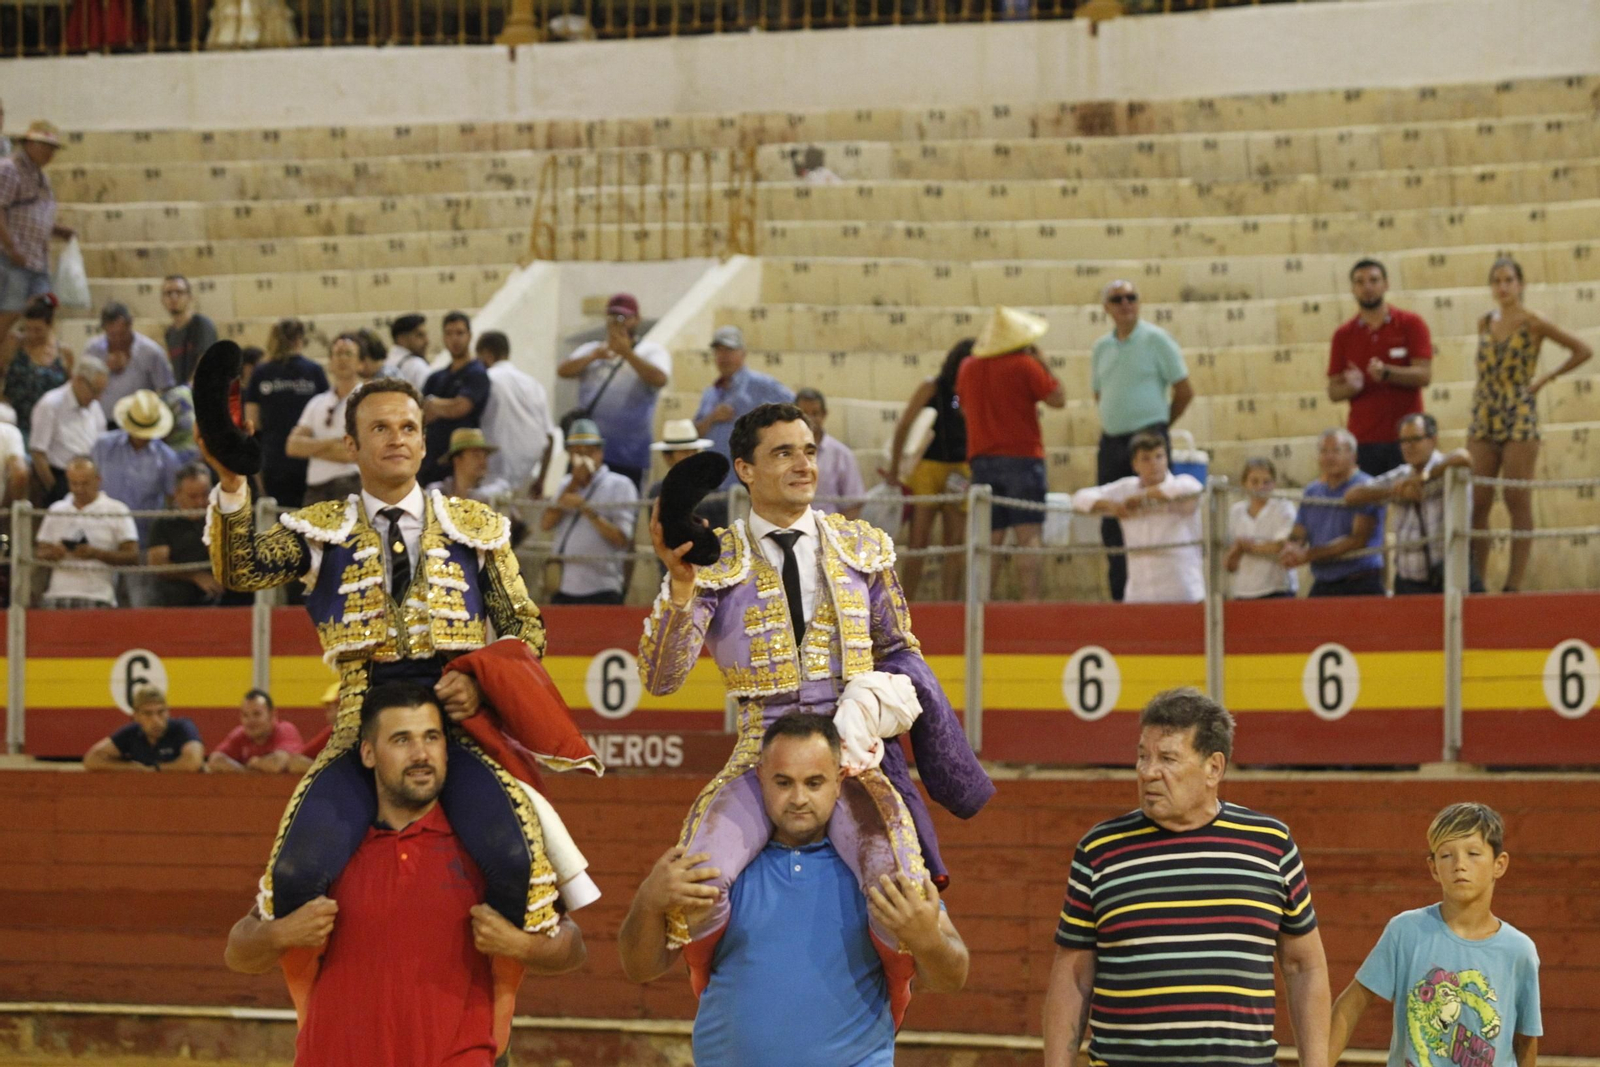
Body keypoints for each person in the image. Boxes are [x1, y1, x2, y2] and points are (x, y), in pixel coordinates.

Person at [204, 375, 601, 1005]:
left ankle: (488, 1021)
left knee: (517, 863)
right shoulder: (320, 528)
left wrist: (479, 682)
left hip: (454, 723)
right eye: (380, 428)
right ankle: (331, 1009)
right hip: (360, 724)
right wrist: (232, 484)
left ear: (423, 442)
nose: (397, 439)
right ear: (352, 446)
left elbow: (526, 628)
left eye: (408, 427)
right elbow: (240, 567)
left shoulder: (476, 526)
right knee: (296, 874)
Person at [638, 403, 993, 1006]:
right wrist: (680, 584)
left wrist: (880, 705)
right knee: (698, 878)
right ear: (745, 469)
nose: (804, 464)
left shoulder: (860, 546)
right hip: (762, 751)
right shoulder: (713, 559)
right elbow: (661, 678)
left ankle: (881, 1001)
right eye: (784, 453)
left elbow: (899, 648)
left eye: (809, 451)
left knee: (899, 885)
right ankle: (728, 995)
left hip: (848, 752)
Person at [223, 682, 587, 1067]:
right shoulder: (329, 851)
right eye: (401, 740)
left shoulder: (484, 848)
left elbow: (573, 947)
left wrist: (522, 946)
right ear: (368, 753)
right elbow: (239, 952)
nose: (420, 754)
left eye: (431, 737)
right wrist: (280, 933)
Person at [618, 712, 970, 1066]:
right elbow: (640, 968)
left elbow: (952, 978)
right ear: (761, 778)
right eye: (783, 783)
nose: (799, 798)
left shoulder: (875, 870)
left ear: (839, 780)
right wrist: (648, 901)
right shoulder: (722, 868)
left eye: (814, 783)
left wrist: (928, 940)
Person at [1044, 688, 1330, 1067]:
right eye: (1143, 756)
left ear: (1214, 768)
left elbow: (1304, 967)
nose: (1148, 772)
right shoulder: (1100, 850)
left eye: (1167, 758)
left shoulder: (1271, 844)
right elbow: (1073, 977)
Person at [1328, 803, 1541, 1067]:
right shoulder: (1405, 931)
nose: (1459, 865)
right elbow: (1350, 1007)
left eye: (1473, 853)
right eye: (1446, 855)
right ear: (1433, 868)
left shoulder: (1518, 950)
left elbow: (1525, 1041)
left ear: (1499, 864)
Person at [1468, 256, 1592, 594]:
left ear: (1520, 284)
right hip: (1484, 410)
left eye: (1509, 280)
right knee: (1477, 500)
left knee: (1516, 497)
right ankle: (1476, 581)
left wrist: (1546, 378)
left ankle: (1514, 584)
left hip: (1519, 410)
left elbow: (1582, 350)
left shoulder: (1534, 322)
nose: (1503, 287)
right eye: (1497, 281)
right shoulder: (1485, 322)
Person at [1091, 280, 1194, 602]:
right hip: (1112, 442)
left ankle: (1168, 595)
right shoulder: (1101, 348)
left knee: (1159, 511)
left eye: (1131, 297)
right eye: (1117, 299)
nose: (1125, 303)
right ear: (1106, 307)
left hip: (1149, 437)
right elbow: (1100, 393)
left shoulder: (1157, 339)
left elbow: (1184, 390)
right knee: (1113, 519)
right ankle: (1121, 597)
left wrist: (1157, 428)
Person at [957, 306, 1066, 602]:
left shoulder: (967, 367)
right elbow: (1058, 399)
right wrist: (1044, 364)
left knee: (989, 540)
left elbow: (965, 408)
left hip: (982, 460)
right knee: (1028, 536)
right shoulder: (1025, 365)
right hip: (1023, 458)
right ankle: (1030, 605)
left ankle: (982, 609)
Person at [1326, 259, 1434, 477]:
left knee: (1409, 495)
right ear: (1353, 289)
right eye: (1360, 282)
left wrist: (1387, 373)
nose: (1367, 287)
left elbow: (1424, 375)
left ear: (1386, 284)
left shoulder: (1411, 323)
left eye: (1374, 280)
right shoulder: (1343, 335)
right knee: (1368, 497)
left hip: (1407, 438)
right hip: (1364, 438)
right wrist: (1350, 387)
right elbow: (1333, 391)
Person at [1345, 413, 1474, 595]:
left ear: (1433, 440)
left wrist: (1424, 478)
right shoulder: (1401, 475)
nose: (1408, 446)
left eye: (1415, 439)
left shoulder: (1445, 467)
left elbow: (1464, 457)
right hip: (1407, 581)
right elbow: (1351, 495)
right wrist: (1394, 491)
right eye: (1403, 441)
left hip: (1446, 578)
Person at [1072, 430, 1204, 604]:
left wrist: (1143, 497)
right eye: (1146, 459)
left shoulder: (1184, 483)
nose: (1154, 463)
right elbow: (1079, 499)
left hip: (1181, 589)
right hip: (1139, 591)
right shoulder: (1126, 489)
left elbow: (1192, 489)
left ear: (1167, 459)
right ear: (1135, 464)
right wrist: (1112, 506)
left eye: (1159, 456)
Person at [886, 338, 972, 602]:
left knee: (955, 544)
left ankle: (950, 605)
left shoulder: (974, 388)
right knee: (918, 542)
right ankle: (906, 604)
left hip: (961, 470)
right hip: (927, 469)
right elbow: (904, 425)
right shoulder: (932, 386)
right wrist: (894, 469)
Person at [558, 293, 672, 489]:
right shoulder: (592, 349)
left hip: (628, 453)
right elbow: (563, 371)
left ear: (637, 319)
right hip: (586, 450)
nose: (618, 323)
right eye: (613, 317)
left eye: (624, 317)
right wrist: (593, 357)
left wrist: (627, 353)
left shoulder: (651, 351)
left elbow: (660, 379)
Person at [540, 419, 637, 605]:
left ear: (600, 453)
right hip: (563, 586)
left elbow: (621, 539)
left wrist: (586, 509)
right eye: (577, 452)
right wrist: (573, 484)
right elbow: (546, 524)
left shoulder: (619, 485)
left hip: (602, 586)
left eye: (589, 452)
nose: (583, 458)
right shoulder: (564, 484)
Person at [1280, 429, 1385, 597]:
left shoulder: (1367, 488)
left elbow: (1357, 541)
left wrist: (1307, 555)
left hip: (1360, 581)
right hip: (1323, 582)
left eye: (1336, 451)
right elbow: (1299, 532)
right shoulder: (1312, 491)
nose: (1329, 457)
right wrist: (1291, 548)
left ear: (1353, 456)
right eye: (1324, 451)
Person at [692, 325, 792, 490]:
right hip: (714, 484)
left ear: (743, 353)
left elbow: (795, 411)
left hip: (750, 485)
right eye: (719, 351)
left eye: (729, 350)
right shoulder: (710, 393)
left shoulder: (761, 385)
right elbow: (693, 434)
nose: (723, 356)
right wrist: (712, 418)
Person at [0, 121, 75, 343]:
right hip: (13, 258)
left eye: (53, 148)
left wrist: (58, 230)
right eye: (46, 146)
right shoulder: (9, 169)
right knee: (10, 312)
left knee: (43, 311)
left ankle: (36, 356)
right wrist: (11, 247)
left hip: (36, 259)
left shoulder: (40, 177)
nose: (50, 153)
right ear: (30, 144)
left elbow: (33, 215)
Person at [244, 318, 328, 510]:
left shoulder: (261, 373)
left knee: (282, 519)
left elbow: (252, 423)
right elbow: (325, 414)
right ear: (300, 339)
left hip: (274, 458)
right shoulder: (314, 371)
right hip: (309, 457)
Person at [34, 455, 138, 608]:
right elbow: (39, 553)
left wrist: (96, 553)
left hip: (99, 596)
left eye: (84, 483)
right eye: (74, 483)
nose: (79, 489)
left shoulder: (117, 509)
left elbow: (132, 556)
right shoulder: (56, 509)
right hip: (57, 595)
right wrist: (55, 552)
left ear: (98, 480)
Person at [91, 389, 181, 545]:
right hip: (102, 530)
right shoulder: (103, 446)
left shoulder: (167, 458)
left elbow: (172, 499)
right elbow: (91, 483)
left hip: (145, 535)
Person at [149, 463, 241, 606]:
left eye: (205, 495)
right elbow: (158, 564)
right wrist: (196, 576)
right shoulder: (164, 522)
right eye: (193, 496)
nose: (200, 502)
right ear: (177, 494)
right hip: (176, 601)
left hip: (224, 599)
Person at [287, 332, 363, 505]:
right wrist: (333, 442)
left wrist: (311, 448)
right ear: (330, 363)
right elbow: (293, 446)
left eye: (348, 354)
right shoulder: (317, 402)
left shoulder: (365, 400)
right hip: (315, 488)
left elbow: (354, 453)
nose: (342, 359)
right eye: (338, 354)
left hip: (350, 484)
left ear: (360, 363)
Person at [476, 330, 552, 497]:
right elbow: (549, 437)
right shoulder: (534, 384)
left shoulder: (485, 379)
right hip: (529, 477)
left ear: (487, 354)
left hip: (492, 477)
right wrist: (541, 479)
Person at [420, 311, 491, 487]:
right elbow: (421, 413)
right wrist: (440, 407)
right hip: (431, 460)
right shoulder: (435, 378)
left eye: (459, 333)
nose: (455, 339)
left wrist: (434, 404)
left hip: (460, 461)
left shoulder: (476, 373)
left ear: (469, 336)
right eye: (449, 333)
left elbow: (460, 407)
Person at [30, 355, 107, 504]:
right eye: (95, 391)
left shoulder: (94, 406)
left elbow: (102, 442)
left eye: (101, 392)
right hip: (63, 477)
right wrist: (54, 490)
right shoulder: (50, 404)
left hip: (91, 475)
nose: (98, 397)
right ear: (79, 380)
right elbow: (38, 453)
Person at [84, 302, 176, 426]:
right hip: (101, 422)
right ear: (104, 329)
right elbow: (83, 386)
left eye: (122, 334)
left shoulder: (150, 352)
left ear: (130, 324)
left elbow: (167, 390)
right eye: (112, 335)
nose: (118, 340)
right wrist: (104, 369)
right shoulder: (93, 349)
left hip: (139, 423)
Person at [2, 293, 73, 443]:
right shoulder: (14, 344)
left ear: (50, 325)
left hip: (51, 427)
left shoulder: (64, 354)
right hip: (16, 422)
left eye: (38, 330)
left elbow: (69, 391)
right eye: (27, 329)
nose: (32, 335)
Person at [82, 684, 204, 772]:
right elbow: (91, 760)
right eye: (148, 713)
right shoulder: (131, 733)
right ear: (136, 716)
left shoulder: (182, 727)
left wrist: (154, 769)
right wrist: (132, 768)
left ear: (168, 712)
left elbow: (193, 762)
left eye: (161, 712)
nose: (156, 720)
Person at [1225, 458, 1299, 599]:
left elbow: (1281, 546)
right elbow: (1230, 563)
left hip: (1278, 589)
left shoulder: (1283, 507)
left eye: (1266, 482)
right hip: (1243, 591)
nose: (1260, 487)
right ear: (1244, 483)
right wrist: (1238, 549)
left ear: (1274, 484)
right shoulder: (1236, 512)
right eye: (1254, 481)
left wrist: (1246, 547)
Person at [795, 387, 864, 519]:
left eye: (815, 413)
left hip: (829, 527)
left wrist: (835, 530)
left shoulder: (842, 455)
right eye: (804, 414)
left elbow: (853, 505)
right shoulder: (782, 454)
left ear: (824, 414)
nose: (809, 419)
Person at [645, 418, 721, 530]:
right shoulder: (658, 491)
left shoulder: (711, 487)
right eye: (685, 452)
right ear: (668, 457)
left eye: (694, 451)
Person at [208, 689, 305, 773]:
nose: (250, 721)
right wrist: (244, 772)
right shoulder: (240, 734)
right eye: (245, 715)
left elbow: (278, 763)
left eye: (257, 714)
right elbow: (215, 760)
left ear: (272, 715)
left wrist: (255, 762)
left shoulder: (285, 730)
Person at [427, 427, 511, 505]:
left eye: (485, 456)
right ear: (457, 460)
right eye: (476, 455)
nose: (483, 461)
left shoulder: (494, 489)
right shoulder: (439, 491)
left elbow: (500, 490)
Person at [160, 274, 217, 388]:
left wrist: (186, 390)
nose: (174, 297)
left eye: (179, 292)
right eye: (169, 293)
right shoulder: (169, 333)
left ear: (190, 297)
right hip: (183, 392)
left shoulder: (201, 324)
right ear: (162, 299)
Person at [384, 313, 433, 392]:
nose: (426, 341)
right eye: (420, 335)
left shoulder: (384, 361)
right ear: (402, 338)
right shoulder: (416, 365)